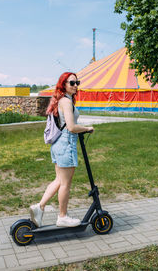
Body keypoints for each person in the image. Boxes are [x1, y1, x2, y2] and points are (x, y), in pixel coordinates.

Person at [29, 72, 94, 227]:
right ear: (63, 84)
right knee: (65, 183)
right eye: (72, 83)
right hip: (66, 145)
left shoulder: (62, 99)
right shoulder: (66, 101)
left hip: (59, 145)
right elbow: (71, 127)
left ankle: (39, 208)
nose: (76, 85)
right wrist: (87, 128)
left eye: (77, 82)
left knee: (59, 180)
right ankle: (62, 217)